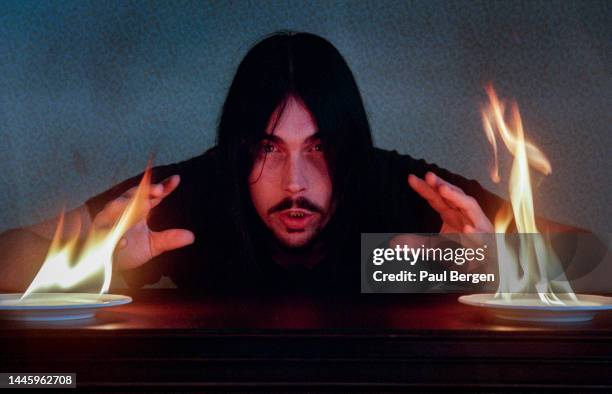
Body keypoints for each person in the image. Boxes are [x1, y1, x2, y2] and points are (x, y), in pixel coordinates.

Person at [0, 31, 567, 293]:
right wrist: (90, 260)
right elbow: (10, 254)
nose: (295, 183)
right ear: (236, 148)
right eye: (268, 149)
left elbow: (591, 255)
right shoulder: (192, 200)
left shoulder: (401, 195)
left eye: (319, 148)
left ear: (352, 146)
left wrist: (493, 263)